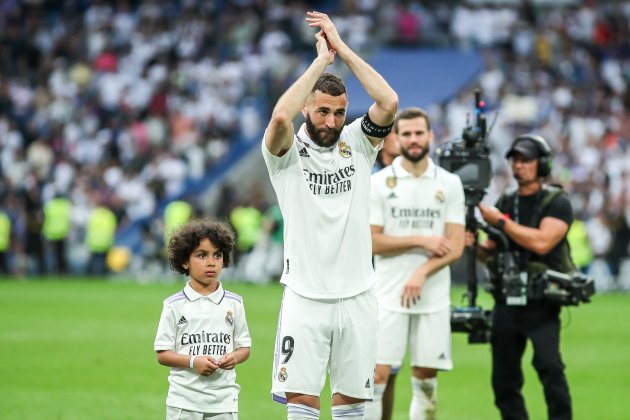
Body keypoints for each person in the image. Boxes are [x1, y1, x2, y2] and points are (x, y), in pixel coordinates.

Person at [261, 10, 398, 420]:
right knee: (302, 401)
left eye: (338, 112)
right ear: (307, 106)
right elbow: (280, 117)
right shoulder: (286, 155)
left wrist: (341, 49)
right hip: (305, 297)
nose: (331, 121)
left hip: (359, 295)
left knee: (352, 405)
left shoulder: (359, 143)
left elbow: (388, 101)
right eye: (322, 111)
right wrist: (320, 62)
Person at [365, 107, 465, 420]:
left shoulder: (449, 184)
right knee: (377, 378)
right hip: (388, 295)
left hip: (433, 296)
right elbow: (372, 241)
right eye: (406, 133)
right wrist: (421, 240)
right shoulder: (380, 183)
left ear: (430, 135)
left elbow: (456, 245)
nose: (413, 139)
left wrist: (422, 271)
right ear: (396, 137)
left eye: (419, 133)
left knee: (425, 383)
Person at [466, 134, 574, 420]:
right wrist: (472, 243)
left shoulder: (557, 201)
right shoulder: (507, 200)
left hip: (542, 302)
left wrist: (500, 221)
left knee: (550, 369)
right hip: (506, 300)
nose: (519, 165)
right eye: (515, 159)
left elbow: (541, 242)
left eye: (526, 160)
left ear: (543, 164)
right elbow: (490, 252)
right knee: (503, 380)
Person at [154, 217, 251, 420]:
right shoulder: (174, 305)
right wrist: (192, 362)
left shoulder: (235, 303)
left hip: (224, 401)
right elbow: (162, 354)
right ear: (184, 261)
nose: (211, 262)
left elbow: (244, 348)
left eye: (217, 255)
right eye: (202, 255)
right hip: (184, 402)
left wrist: (234, 357)